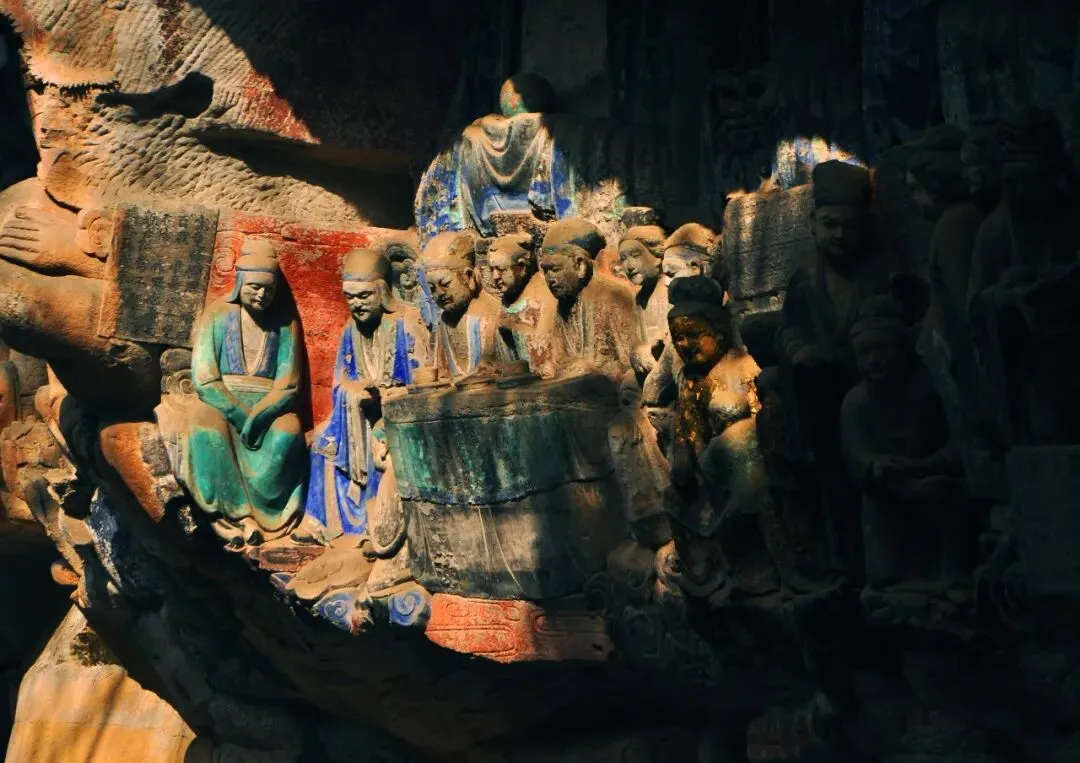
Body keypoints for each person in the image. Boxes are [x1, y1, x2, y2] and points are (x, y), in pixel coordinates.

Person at [840, 295, 968, 592]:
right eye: (865, 353)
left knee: (948, 499)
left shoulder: (929, 390)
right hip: (889, 493)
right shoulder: (856, 403)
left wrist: (925, 467)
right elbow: (857, 458)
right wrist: (882, 469)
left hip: (935, 483)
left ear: (901, 350)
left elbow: (960, 443)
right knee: (878, 515)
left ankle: (954, 573)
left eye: (881, 349)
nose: (873, 360)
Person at [302, 248, 429, 543]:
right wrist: (354, 393)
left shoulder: (406, 324)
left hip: (396, 416)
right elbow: (339, 381)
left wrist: (386, 395)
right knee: (322, 442)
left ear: (382, 292)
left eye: (364, 296)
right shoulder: (350, 330)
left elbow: (423, 384)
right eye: (350, 297)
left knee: (379, 444)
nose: (356, 304)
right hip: (355, 418)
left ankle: (375, 527)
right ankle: (320, 522)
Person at [186, 239, 307, 546]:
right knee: (205, 426)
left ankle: (271, 515)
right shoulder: (217, 315)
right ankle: (237, 515)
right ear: (240, 282)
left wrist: (260, 416)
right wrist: (239, 414)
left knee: (289, 432)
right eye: (255, 287)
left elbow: (289, 383)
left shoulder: (285, 324)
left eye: (269, 289)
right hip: (223, 403)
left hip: (268, 408)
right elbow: (205, 378)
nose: (262, 295)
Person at [538, 217, 640, 381]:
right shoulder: (563, 305)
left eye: (555, 270)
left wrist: (589, 369)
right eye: (546, 272)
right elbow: (559, 360)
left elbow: (629, 363)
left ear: (580, 265)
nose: (550, 279)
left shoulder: (611, 297)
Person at [421, 230, 501, 379]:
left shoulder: (493, 313)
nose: (439, 293)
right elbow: (441, 372)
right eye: (432, 289)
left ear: (469, 277)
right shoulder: (444, 322)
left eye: (445, 284)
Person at [480, 231, 557, 378]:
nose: (495, 277)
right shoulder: (506, 299)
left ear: (521, 267)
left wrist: (513, 327)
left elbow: (545, 349)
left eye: (501, 270)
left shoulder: (543, 294)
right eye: (492, 270)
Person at [619, 224, 669, 380]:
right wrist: (637, 353)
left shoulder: (673, 288)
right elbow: (636, 338)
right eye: (623, 259)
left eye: (635, 256)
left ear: (658, 257)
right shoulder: (639, 298)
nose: (629, 266)